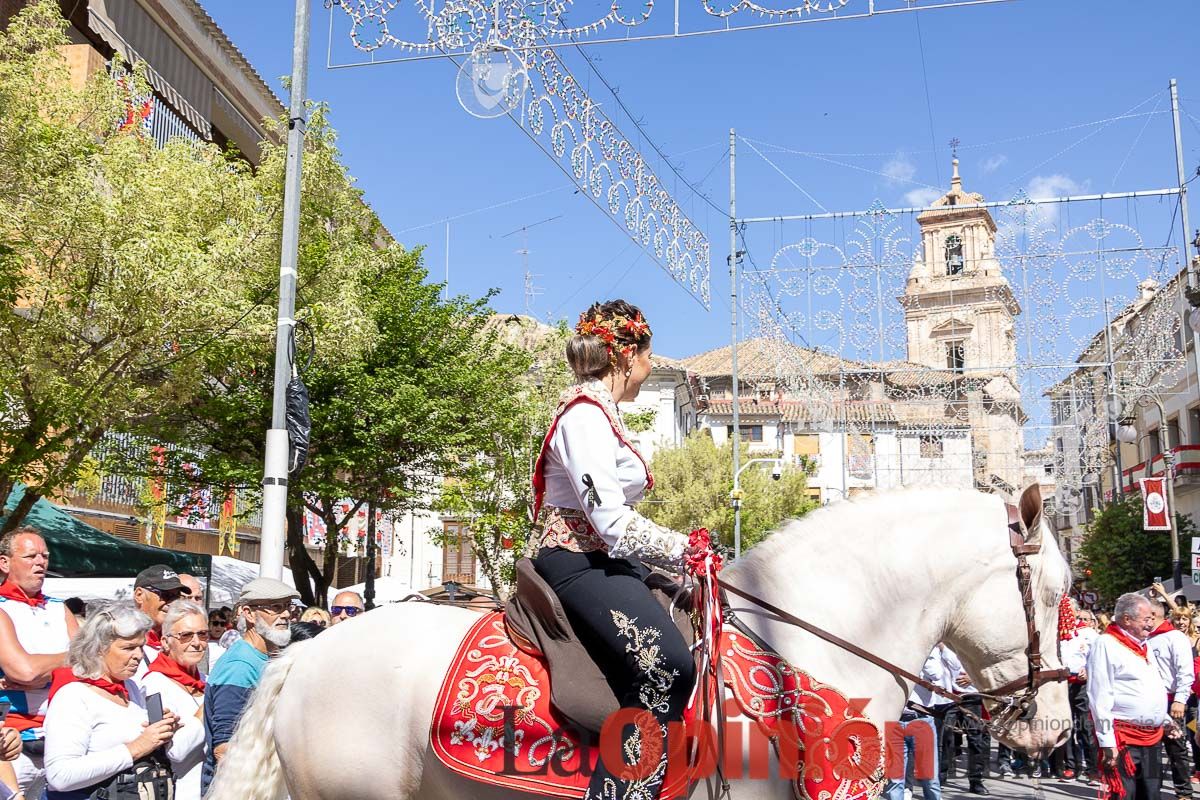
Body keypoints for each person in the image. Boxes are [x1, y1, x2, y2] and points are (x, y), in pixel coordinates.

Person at [529, 300, 709, 800]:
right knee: (666, 666)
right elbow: (609, 522)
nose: (650, 367)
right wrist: (685, 550)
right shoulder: (584, 417)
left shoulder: (603, 416)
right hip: (575, 558)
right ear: (627, 355)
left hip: (607, 560)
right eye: (649, 356)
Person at [43, 602, 179, 800]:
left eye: (141, 646)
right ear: (99, 648)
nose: (139, 656)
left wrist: (161, 730)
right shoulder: (73, 696)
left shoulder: (132, 688)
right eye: (128, 648)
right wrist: (136, 747)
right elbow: (59, 775)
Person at [0, 527, 80, 798]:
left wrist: (39, 671)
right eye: (30, 556)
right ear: (5, 562)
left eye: (44, 556)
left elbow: (90, 663)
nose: (40, 562)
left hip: (62, 739)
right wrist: (68, 662)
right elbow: (23, 670)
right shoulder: (1, 607)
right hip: (14, 745)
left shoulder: (60, 608)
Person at [201, 578, 298, 795]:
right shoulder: (240, 665)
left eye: (287, 607)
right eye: (275, 607)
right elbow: (224, 749)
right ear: (249, 613)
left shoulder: (264, 657)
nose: (285, 615)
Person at [1088, 592, 1170, 800]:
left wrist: (1165, 719)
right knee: (1126, 795)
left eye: (1152, 618)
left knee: (1151, 794)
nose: (1151, 624)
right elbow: (1099, 696)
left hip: (1152, 736)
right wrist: (1107, 743)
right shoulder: (1106, 643)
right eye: (1146, 619)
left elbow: (1151, 686)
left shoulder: (1144, 645)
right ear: (1127, 619)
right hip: (1124, 737)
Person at [139, 601, 207, 800]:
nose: (196, 642)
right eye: (186, 635)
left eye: (202, 634)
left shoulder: (206, 681)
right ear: (166, 642)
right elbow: (176, 751)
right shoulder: (153, 685)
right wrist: (210, 704)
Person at [1148, 599, 1195, 799]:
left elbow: (1186, 671)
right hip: (1148, 702)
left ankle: (1183, 792)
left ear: (1153, 615)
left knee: (1176, 747)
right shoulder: (1144, 638)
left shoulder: (1174, 637)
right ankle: (1151, 792)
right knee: (1150, 750)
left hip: (1170, 700)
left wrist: (1180, 699)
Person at [884, 651, 945, 800]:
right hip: (895, 721)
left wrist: (921, 652)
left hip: (922, 721)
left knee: (930, 780)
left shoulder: (930, 650)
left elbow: (936, 674)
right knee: (894, 781)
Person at [939, 646, 989, 794]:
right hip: (949, 698)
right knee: (946, 739)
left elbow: (988, 668)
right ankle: (941, 776)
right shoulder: (945, 645)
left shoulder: (977, 646)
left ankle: (976, 781)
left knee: (976, 741)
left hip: (972, 697)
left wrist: (973, 677)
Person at [131, 566, 187, 681]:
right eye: (166, 595)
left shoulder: (179, 641)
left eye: (177, 597)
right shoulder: (120, 640)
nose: (172, 603)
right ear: (139, 595)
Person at [1065, 607, 1100, 782]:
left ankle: (1093, 768)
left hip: (1083, 686)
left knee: (1086, 727)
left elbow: (1099, 658)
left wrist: (1088, 669)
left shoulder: (1089, 633)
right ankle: (1071, 766)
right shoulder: (1059, 632)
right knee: (1066, 727)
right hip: (1062, 685)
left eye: (1075, 614)